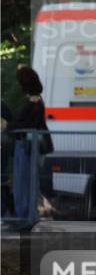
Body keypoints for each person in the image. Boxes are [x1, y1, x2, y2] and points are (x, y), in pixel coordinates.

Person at [10, 67, 48, 220]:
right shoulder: (36, 99)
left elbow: (25, 123)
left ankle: (25, 216)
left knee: (22, 183)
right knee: (26, 182)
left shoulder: (33, 101)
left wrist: (8, 126)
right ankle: (26, 214)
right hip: (28, 145)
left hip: (26, 146)